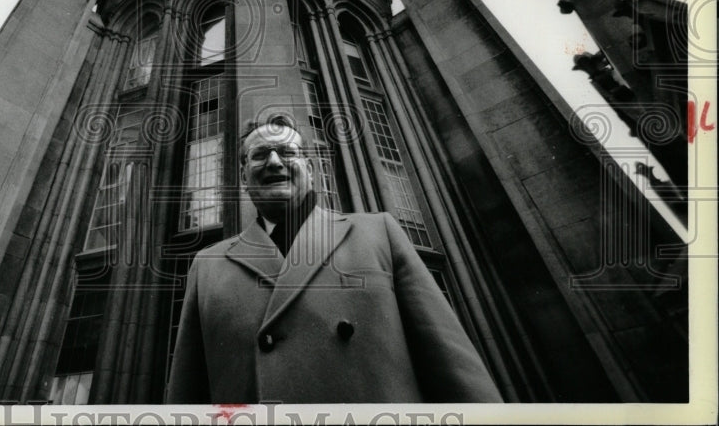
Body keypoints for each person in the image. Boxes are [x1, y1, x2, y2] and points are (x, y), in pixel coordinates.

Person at [166, 116, 503, 404]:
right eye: (259, 155)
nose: (273, 162)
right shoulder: (208, 265)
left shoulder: (378, 234)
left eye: (287, 152)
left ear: (310, 171)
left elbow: (455, 370)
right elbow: (186, 399)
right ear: (243, 177)